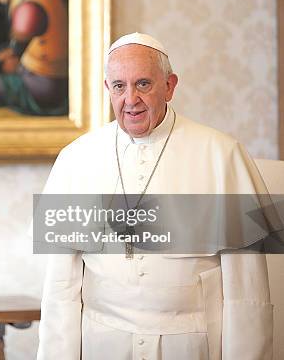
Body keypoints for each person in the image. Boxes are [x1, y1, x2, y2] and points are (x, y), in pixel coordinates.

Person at [36, 33, 274, 359]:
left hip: (192, 344)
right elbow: (60, 287)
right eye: (119, 86)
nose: (130, 98)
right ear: (108, 89)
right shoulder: (76, 159)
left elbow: (247, 289)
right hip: (103, 343)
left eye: (143, 84)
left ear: (170, 86)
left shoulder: (222, 155)